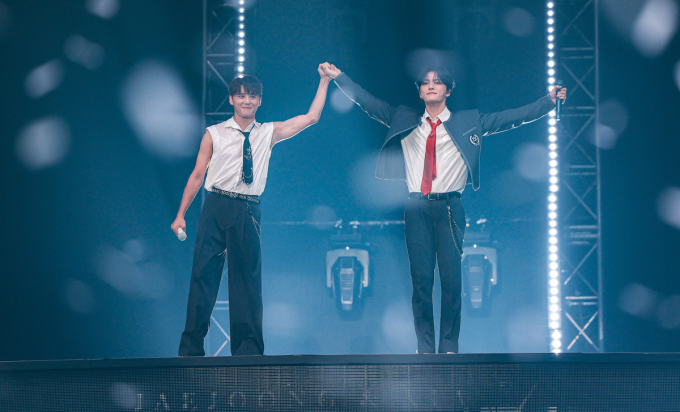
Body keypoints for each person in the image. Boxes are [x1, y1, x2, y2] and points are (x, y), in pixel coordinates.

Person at [320, 62, 566, 354]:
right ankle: (425, 348)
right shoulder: (404, 118)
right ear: (420, 91)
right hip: (416, 207)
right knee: (421, 282)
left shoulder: (468, 121)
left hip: (450, 206)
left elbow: (512, 118)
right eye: (426, 82)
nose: (431, 86)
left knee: (451, 281)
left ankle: (449, 347)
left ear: (448, 90)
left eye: (437, 82)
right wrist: (339, 77)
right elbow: (366, 102)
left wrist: (548, 102)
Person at [172, 66, 331, 356]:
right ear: (231, 99)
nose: (247, 100)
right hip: (215, 204)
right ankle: (190, 350)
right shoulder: (214, 134)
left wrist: (324, 81)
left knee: (246, 280)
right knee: (203, 276)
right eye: (242, 95)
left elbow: (311, 118)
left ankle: (248, 351)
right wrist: (181, 213)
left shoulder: (269, 132)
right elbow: (197, 175)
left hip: (246, 208)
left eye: (253, 96)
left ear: (259, 101)